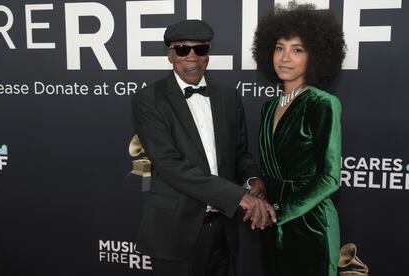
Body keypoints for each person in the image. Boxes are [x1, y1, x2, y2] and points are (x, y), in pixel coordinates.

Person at [131, 19, 276, 276]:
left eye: (200, 50)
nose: (192, 58)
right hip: (176, 234)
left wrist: (254, 180)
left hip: (224, 230)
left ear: (207, 55)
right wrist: (238, 197)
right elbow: (170, 164)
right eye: (182, 50)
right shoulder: (148, 100)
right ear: (170, 56)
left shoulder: (228, 96)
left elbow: (240, 153)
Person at [252, 2, 346, 276]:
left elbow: (329, 178)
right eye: (279, 47)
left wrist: (278, 212)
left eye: (297, 50)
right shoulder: (269, 106)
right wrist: (261, 201)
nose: (284, 58)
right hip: (271, 224)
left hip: (311, 225)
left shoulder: (323, 103)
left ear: (315, 56)